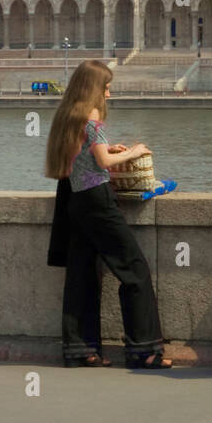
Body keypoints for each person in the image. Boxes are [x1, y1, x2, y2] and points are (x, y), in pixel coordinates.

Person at [45, 59, 172, 369]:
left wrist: (105, 148)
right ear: (93, 90)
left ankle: (81, 349)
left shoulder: (67, 115)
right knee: (134, 268)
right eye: (105, 88)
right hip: (97, 203)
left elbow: (88, 156)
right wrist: (135, 151)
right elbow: (102, 162)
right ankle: (144, 350)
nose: (109, 93)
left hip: (74, 201)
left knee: (82, 273)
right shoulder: (91, 115)